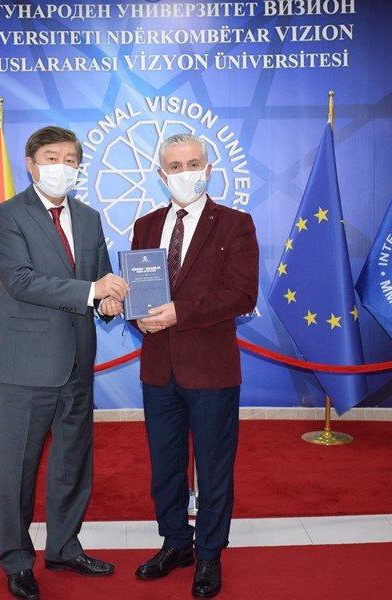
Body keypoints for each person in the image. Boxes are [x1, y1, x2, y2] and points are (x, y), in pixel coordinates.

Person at [0, 125, 126, 600]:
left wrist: (110, 301)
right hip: (24, 365)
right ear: (30, 163)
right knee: (18, 471)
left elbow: (99, 277)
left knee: (72, 463)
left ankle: (64, 547)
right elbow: (20, 280)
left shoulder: (88, 217)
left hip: (77, 362)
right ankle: (16, 560)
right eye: (51, 157)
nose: (62, 167)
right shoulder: (7, 215)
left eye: (70, 159)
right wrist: (92, 291)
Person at [130, 133, 259, 598]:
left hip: (211, 370)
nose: (185, 173)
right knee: (165, 467)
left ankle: (208, 554)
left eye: (193, 164)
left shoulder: (235, 224)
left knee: (213, 467)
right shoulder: (145, 225)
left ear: (209, 169)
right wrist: (137, 316)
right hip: (158, 370)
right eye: (175, 166)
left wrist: (179, 313)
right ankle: (175, 543)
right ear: (161, 174)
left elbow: (242, 294)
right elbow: (139, 289)